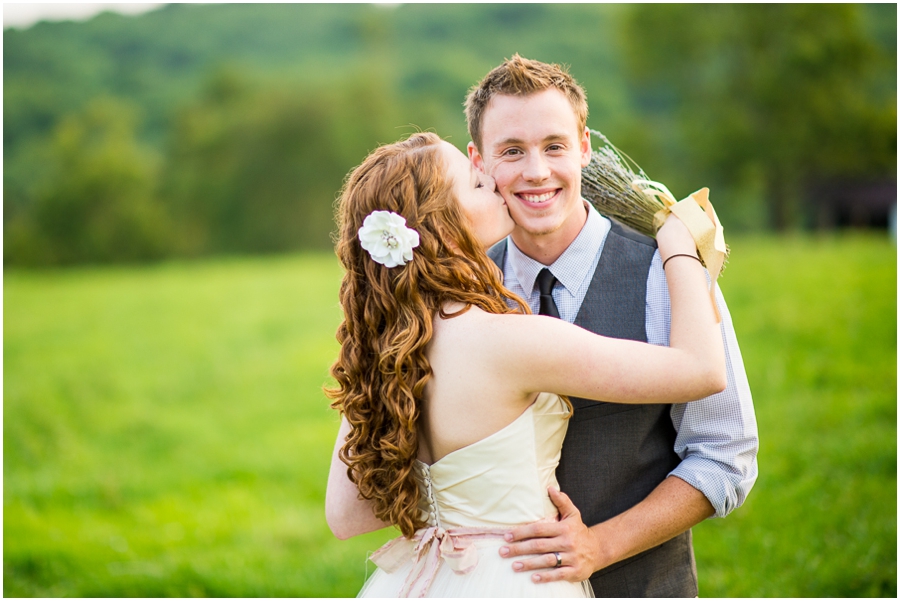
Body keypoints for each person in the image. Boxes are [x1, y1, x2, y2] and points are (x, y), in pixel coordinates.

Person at [325, 131, 728, 597]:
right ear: (442, 226)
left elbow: (345, 516)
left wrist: (456, 507)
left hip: (427, 579)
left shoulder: (385, 352)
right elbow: (702, 370)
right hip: (520, 576)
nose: (494, 184)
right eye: (476, 185)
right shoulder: (509, 341)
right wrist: (678, 247)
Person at [464, 54, 759, 596]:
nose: (535, 171)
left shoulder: (671, 273)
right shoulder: (463, 291)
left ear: (583, 148)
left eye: (554, 146)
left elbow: (725, 455)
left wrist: (600, 546)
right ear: (478, 163)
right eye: (512, 151)